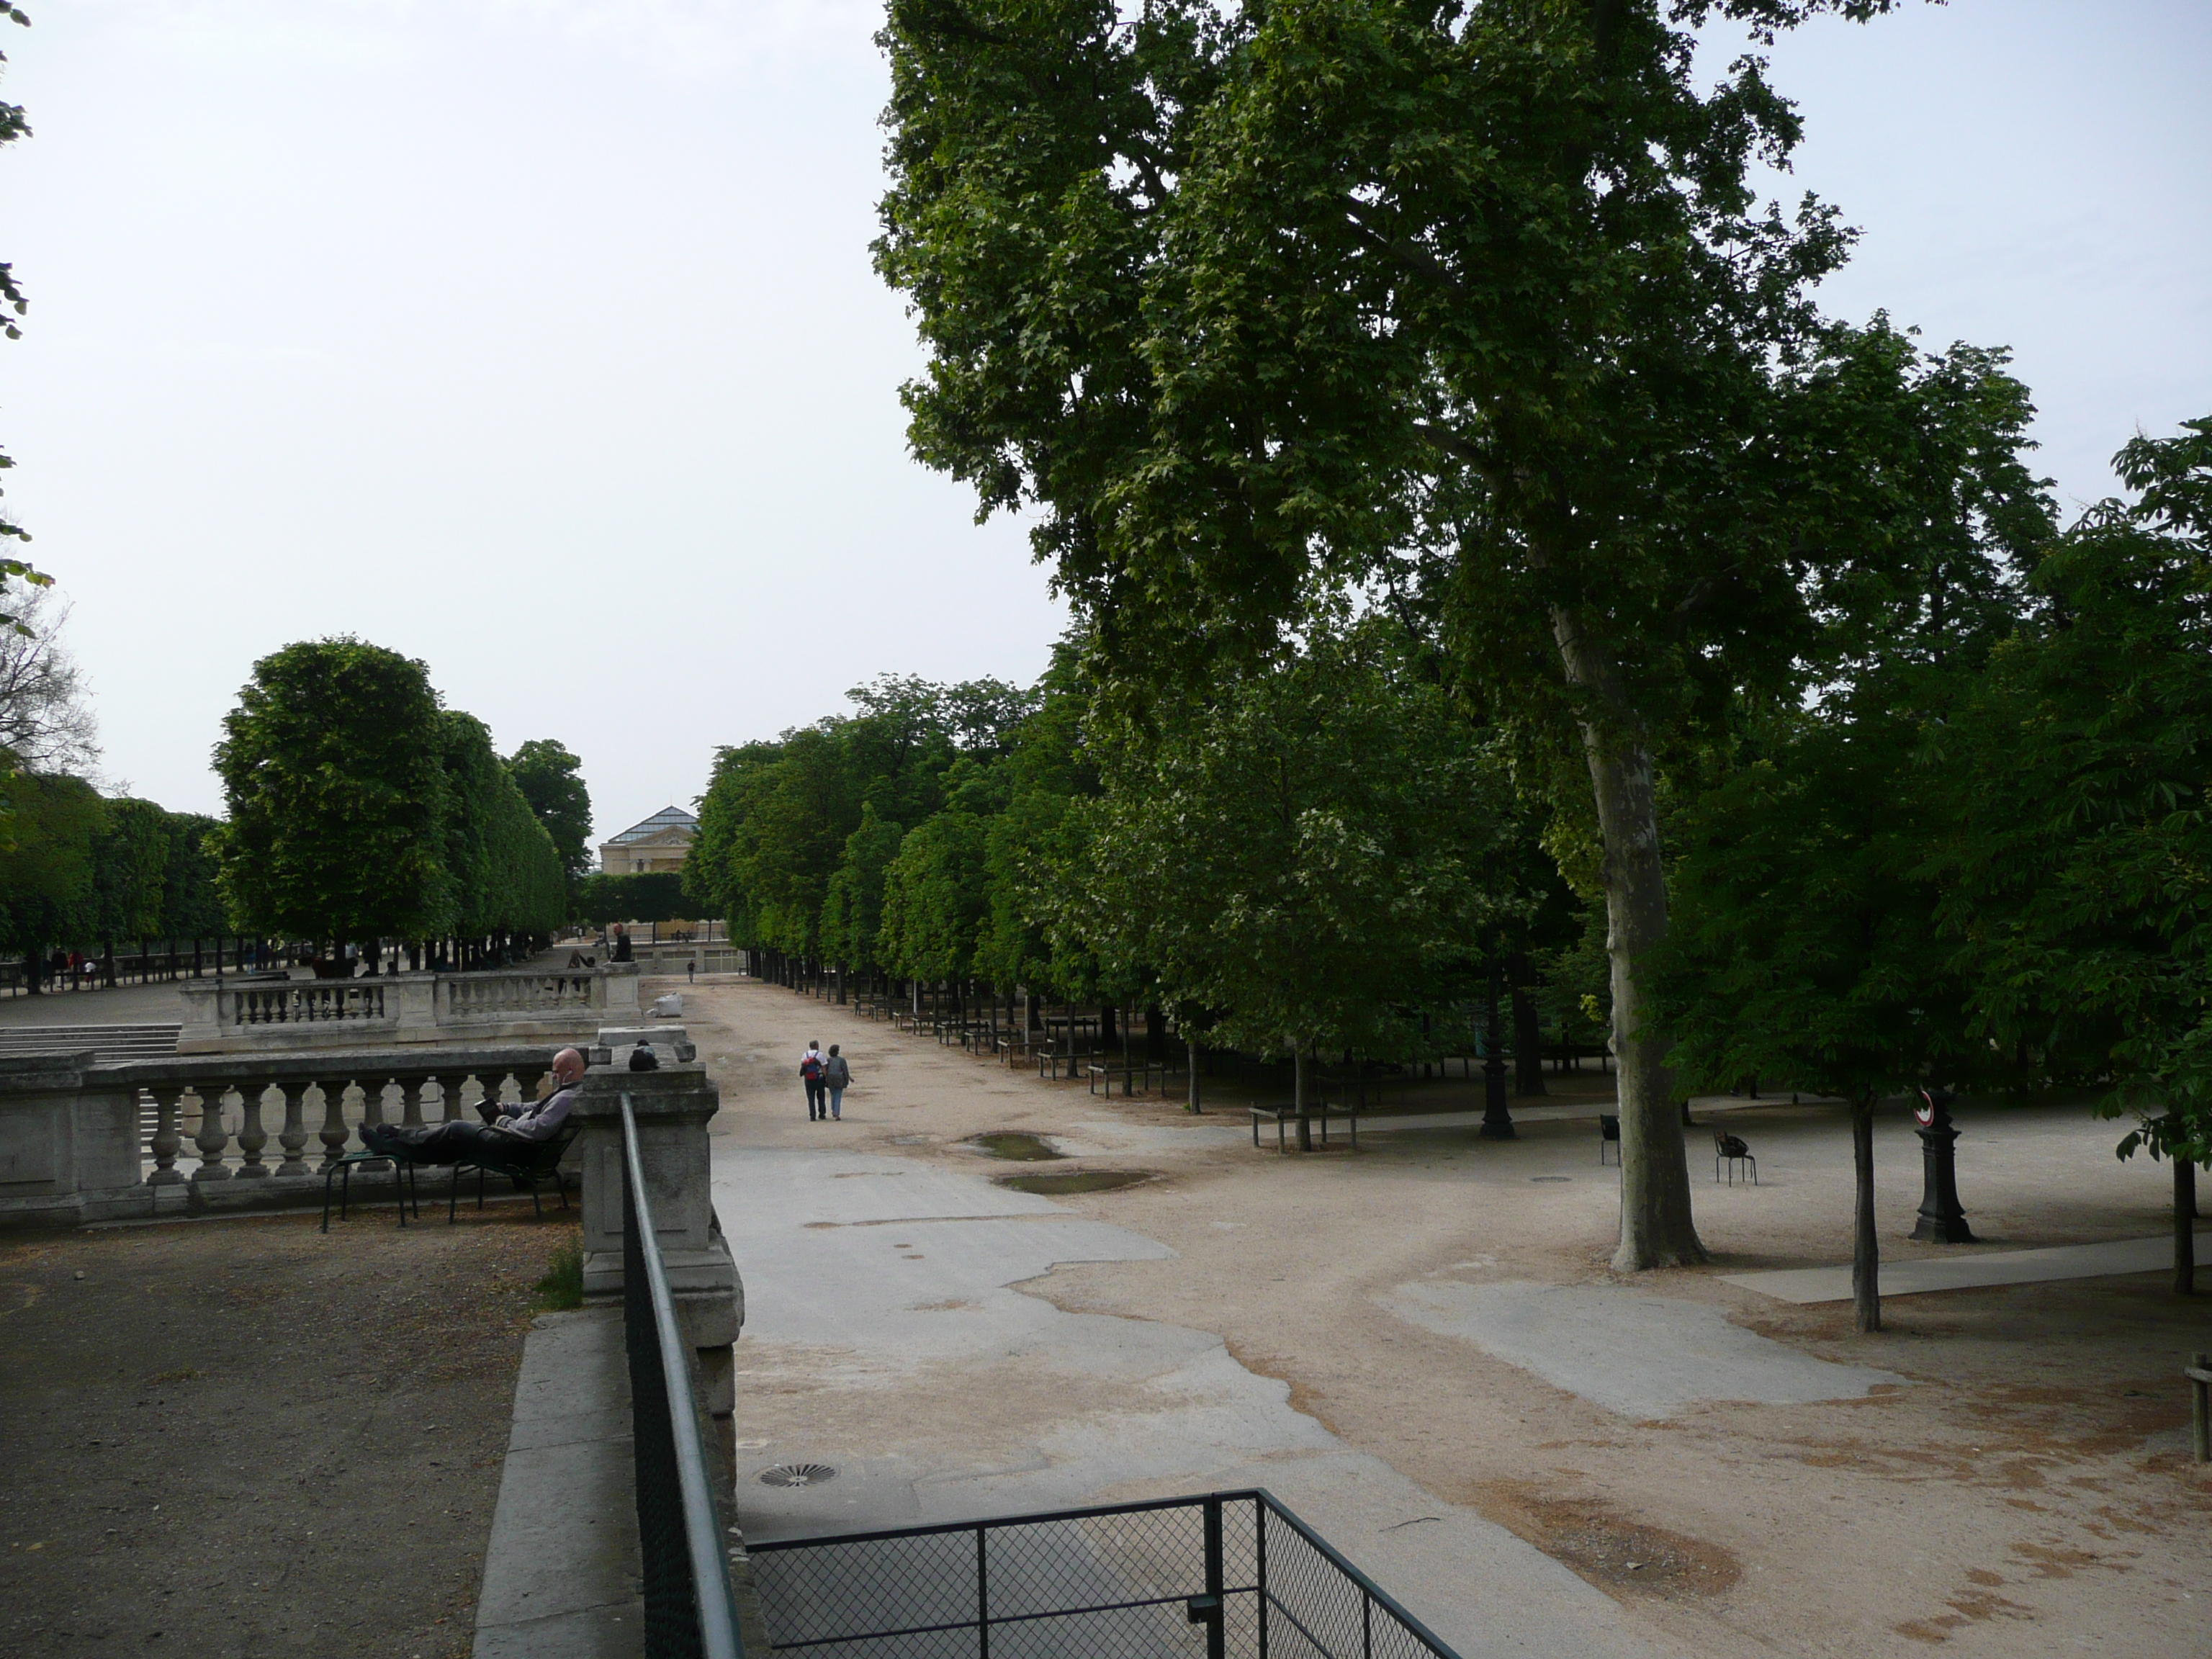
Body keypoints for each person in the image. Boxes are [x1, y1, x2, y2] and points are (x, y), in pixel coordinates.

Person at [364, 1048, 586, 1164]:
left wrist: (503, 1122)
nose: (554, 1076)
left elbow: (538, 1129)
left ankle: (398, 1136)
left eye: (556, 1071)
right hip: (516, 1144)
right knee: (453, 1147)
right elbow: (536, 1108)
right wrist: (507, 1108)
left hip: (516, 1147)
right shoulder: (566, 1093)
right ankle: (391, 1144)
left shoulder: (566, 1098)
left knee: (456, 1128)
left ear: (570, 1071)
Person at [822, 1044, 853, 1121]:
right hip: (839, 1080)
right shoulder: (842, 1060)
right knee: (838, 1096)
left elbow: (825, 1070)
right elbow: (845, 1071)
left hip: (831, 1080)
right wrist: (847, 1080)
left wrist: (825, 1080)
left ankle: (833, 1110)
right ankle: (836, 1113)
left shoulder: (828, 1060)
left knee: (833, 1095)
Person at [800, 1040, 827, 1121]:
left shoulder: (805, 1055)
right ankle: (822, 1114)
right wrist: (826, 1078)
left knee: (811, 1098)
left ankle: (812, 1115)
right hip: (819, 1078)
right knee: (821, 1097)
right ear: (816, 1046)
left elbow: (803, 1066)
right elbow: (824, 1067)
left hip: (808, 1078)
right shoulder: (820, 1054)